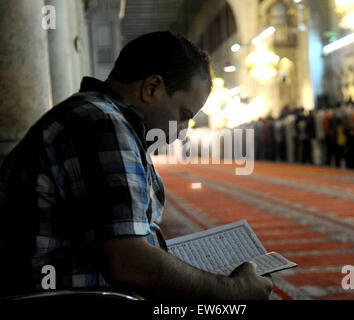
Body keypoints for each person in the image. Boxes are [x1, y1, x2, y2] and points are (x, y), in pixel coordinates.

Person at [0, 31, 273, 300]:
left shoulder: (101, 116)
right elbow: (128, 261)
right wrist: (232, 291)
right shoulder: (101, 122)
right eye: (183, 115)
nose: (182, 132)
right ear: (151, 88)